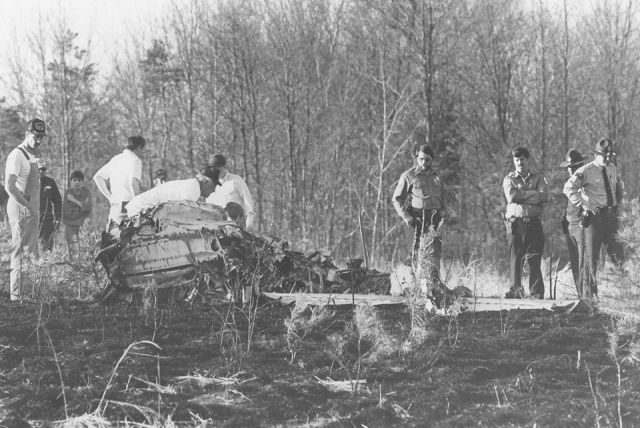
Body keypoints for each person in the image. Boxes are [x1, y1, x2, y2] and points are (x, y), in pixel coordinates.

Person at [563, 138, 624, 298]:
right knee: (591, 261)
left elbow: (617, 189)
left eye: (609, 155)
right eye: (604, 155)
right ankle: (588, 299)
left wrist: (620, 207)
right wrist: (584, 204)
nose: (607, 158)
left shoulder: (612, 168)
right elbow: (568, 188)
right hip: (595, 220)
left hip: (611, 218)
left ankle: (627, 296)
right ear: (596, 154)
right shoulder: (586, 170)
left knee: (619, 257)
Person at [392, 144, 447, 294]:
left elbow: (444, 195)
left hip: (434, 219)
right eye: (421, 159)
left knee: (435, 253)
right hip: (417, 218)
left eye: (427, 159)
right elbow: (396, 199)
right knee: (416, 253)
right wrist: (407, 217)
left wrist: (443, 212)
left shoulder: (437, 177)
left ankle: (434, 286)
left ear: (431, 160)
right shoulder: (408, 176)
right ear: (417, 158)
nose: (424, 163)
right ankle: (412, 287)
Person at [4, 118, 46, 301]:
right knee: (20, 251)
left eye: (41, 137)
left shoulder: (34, 155)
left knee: (32, 252)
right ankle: (17, 295)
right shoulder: (17, 155)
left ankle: (29, 293)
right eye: (36, 137)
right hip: (21, 208)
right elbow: (9, 186)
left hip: (32, 209)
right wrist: (26, 204)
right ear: (28, 134)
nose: (39, 141)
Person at [503, 147, 548, 299]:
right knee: (516, 259)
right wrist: (532, 194)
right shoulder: (509, 178)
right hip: (515, 224)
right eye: (517, 160)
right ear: (514, 161)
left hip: (534, 224)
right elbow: (511, 196)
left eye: (522, 159)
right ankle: (516, 291)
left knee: (534, 259)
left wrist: (521, 195)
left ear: (528, 160)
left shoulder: (539, 177)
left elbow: (543, 196)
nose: (520, 162)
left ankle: (536, 293)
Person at [126, 166, 221, 217]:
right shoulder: (192, 190)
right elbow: (184, 217)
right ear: (205, 182)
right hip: (140, 210)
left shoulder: (192, 185)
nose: (213, 190)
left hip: (138, 208)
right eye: (213, 186)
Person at [93, 135, 146, 227]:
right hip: (129, 205)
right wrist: (139, 204)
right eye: (142, 149)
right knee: (133, 237)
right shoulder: (135, 160)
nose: (143, 152)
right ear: (138, 147)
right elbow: (133, 183)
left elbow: (98, 177)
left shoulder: (116, 159)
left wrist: (109, 197)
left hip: (115, 206)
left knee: (113, 237)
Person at [560, 149, 586, 296]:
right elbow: (570, 205)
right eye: (569, 167)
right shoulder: (569, 183)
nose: (571, 169)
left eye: (574, 166)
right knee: (575, 264)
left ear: (580, 165)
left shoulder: (586, 182)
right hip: (570, 227)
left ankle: (588, 297)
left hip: (582, 227)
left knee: (584, 263)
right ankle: (580, 296)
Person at [205, 154, 256, 231]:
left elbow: (248, 202)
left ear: (223, 167)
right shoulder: (209, 185)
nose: (215, 172)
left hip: (237, 228)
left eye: (217, 169)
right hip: (217, 230)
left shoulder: (236, 181)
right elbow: (208, 209)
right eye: (213, 169)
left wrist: (249, 223)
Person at [62, 170, 92, 255]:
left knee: (84, 249)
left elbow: (88, 207)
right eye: (74, 180)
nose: (77, 182)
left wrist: (74, 201)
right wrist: (81, 208)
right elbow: (66, 211)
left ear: (82, 181)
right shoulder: (68, 193)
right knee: (71, 249)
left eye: (79, 180)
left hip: (83, 225)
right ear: (71, 181)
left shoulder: (86, 192)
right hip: (70, 225)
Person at [38, 160, 62, 251]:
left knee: (47, 248)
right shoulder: (29, 183)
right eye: (38, 169)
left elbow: (58, 201)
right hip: (32, 220)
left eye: (43, 169)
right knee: (31, 250)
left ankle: (47, 265)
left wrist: (57, 219)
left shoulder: (50, 182)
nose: (41, 171)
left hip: (47, 220)